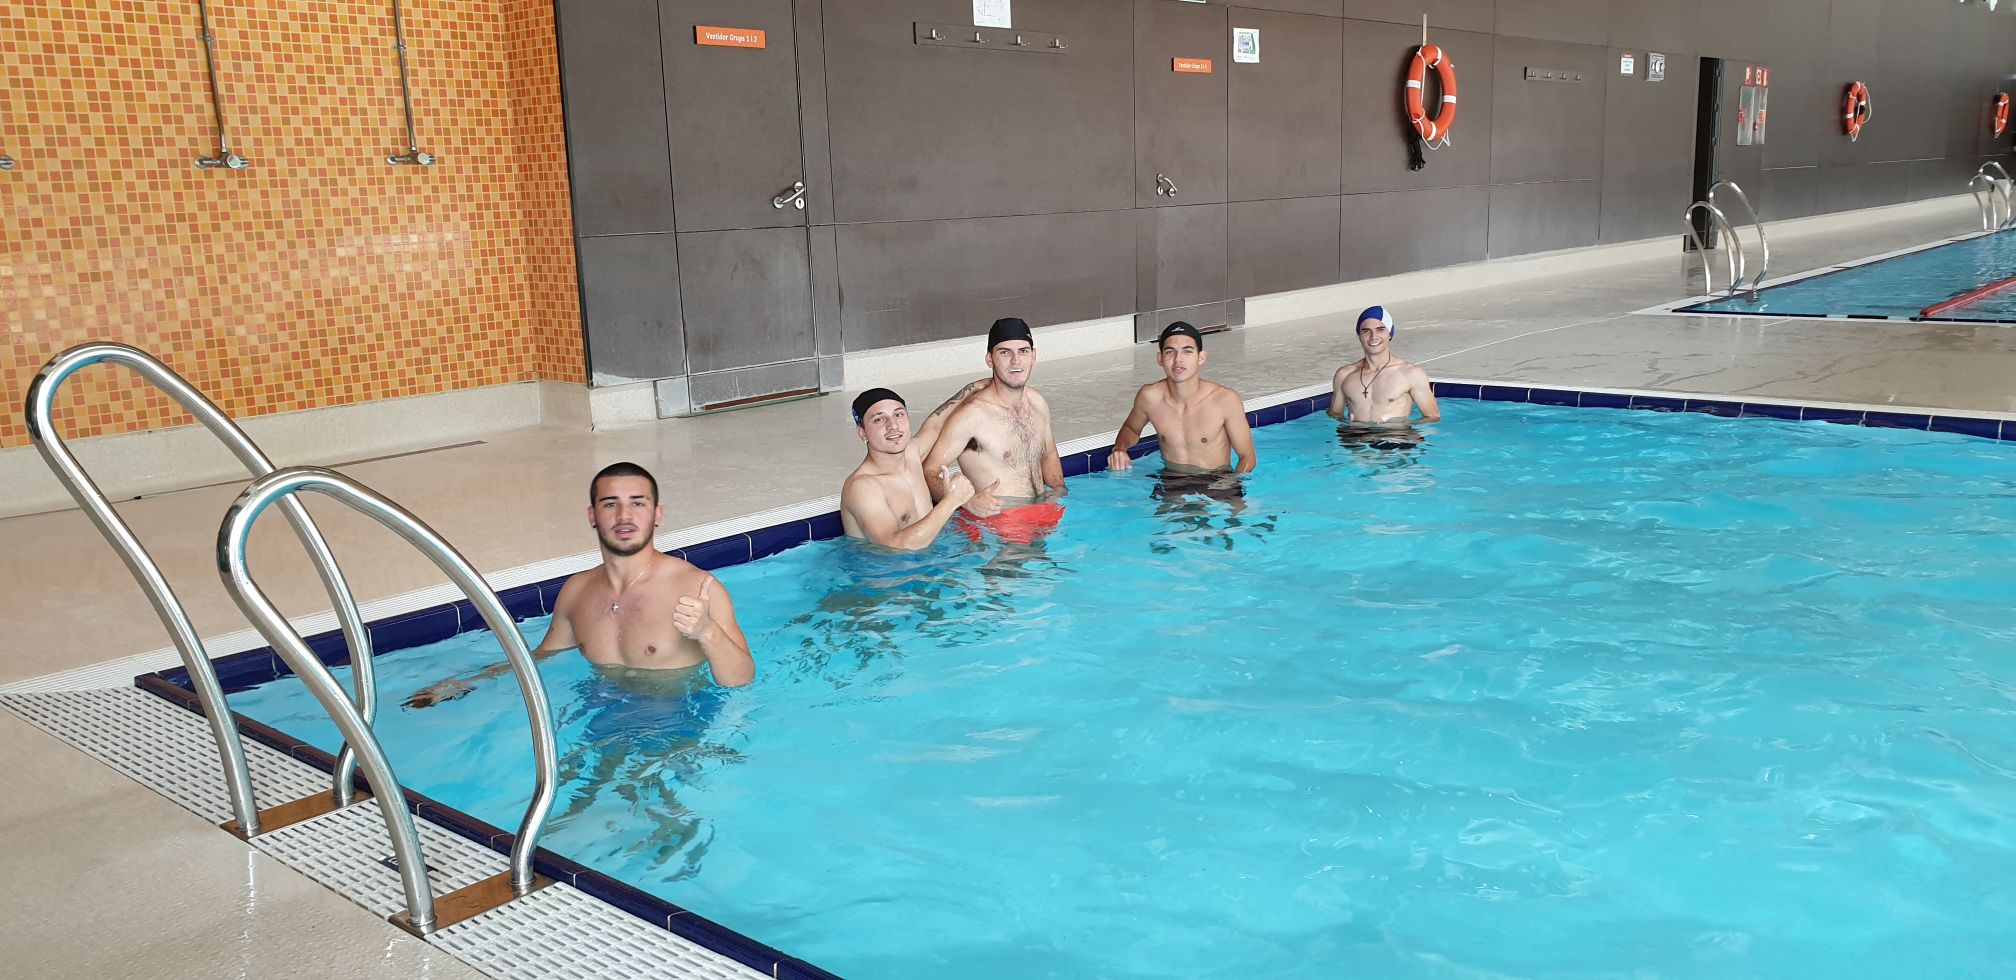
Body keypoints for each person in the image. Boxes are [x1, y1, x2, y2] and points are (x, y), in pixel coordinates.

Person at [402, 462, 755, 707]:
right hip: (602, 712)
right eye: (610, 504)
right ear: (592, 516)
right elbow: (542, 658)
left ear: (657, 514)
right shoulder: (577, 591)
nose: (624, 516)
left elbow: (741, 679)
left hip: (677, 720)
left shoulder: (698, 588)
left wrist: (707, 631)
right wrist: (465, 683)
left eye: (638, 503)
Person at [922, 317, 1067, 540]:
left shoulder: (1037, 402)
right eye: (1005, 352)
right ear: (990, 359)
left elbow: (1048, 454)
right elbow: (929, 470)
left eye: (1023, 351)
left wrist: (1059, 494)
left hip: (1043, 513)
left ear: (1034, 356)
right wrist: (967, 502)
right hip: (997, 527)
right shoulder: (972, 415)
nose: (1016, 361)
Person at [840, 386, 982, 551]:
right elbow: (894, 547)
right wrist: (952, 500)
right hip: (889, 567)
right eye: (879, 419)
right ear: (862, 433)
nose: (893, 425)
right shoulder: (862, 487)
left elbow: (935, 424)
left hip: (933, 558)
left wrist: (976, 386)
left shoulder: (911, 455)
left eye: (898, 415)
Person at [1106, 321, 1256, 476]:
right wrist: (1120, 448)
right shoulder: (1150, 397)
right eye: (1170, 352)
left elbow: (1248, 457)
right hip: (1171, 478)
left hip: (1217, 479)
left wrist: (1232, 481)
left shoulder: (1225, 400)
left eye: (1187, 351)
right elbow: (1131, 429)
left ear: (1201, 357)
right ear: (1160, 359)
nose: (1178, 359)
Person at [1328, 305, 1441, 424]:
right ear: (1359, 336)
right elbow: (1335, 415)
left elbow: (1432, 416)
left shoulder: (1411, 374)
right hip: (1355, 433)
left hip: (1395, 434)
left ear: (1390, 334)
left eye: (1380, 329)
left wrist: (1399, 427)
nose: (1373, 337)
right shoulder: (1344, 375)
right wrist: (1349, 426)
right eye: (1366, 331)